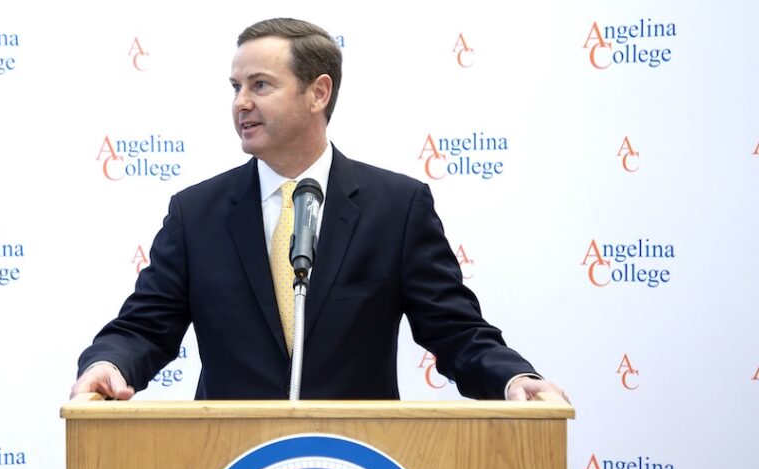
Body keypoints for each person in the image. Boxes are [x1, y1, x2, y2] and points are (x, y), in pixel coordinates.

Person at [72, 17, 567, 403]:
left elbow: (456, 331)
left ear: (319, 92)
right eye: (235, 87)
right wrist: (109, 365)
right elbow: (143, 328)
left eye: (260, 85)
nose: (240, 102)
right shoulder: (195, 213)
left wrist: (513, 377)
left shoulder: (396, 208)